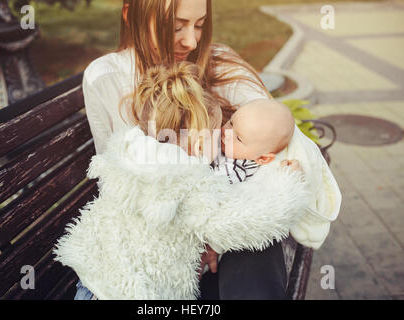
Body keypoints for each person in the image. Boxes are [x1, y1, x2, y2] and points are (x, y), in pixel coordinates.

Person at [78, 0, 338, 300]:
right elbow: (118, 180)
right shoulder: (106, 78)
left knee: (255, 241)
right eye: (176, 27)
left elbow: (281, 142)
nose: (191, 41)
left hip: (221, 243)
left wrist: (218, 239)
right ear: (129, 14)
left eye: (199, 24)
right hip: (158, 253)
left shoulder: (219, 61)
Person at [53, 62, 309, 300]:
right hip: (135, 293)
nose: (222, 136)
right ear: (198, 144)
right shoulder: (189, 182)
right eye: (219, 130)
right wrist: (287, 183)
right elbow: (249, 221)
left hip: (91, 283)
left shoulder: (134, 151)